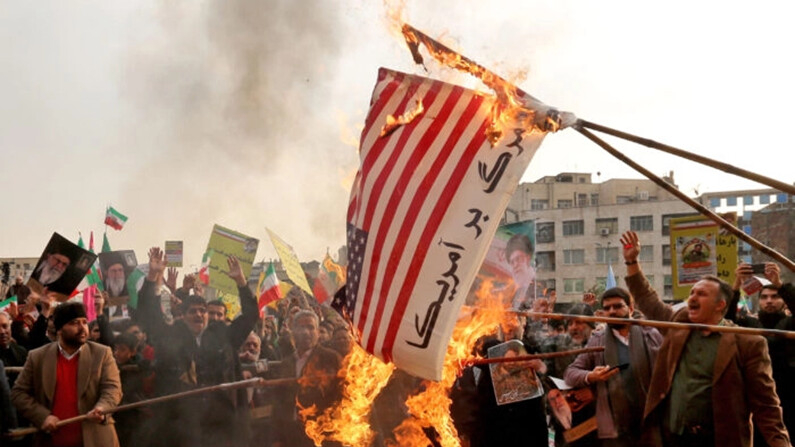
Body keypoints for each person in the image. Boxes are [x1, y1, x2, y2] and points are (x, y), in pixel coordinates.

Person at [620, 230, 790, 447]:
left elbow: (766, 404)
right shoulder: (676, 324)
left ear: (720, 305)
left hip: (719, 440)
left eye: (701, 294)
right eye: (692, 292)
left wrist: (781, 443)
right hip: (671, 436)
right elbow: (646, 297)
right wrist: (632, 260)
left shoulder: (748, 342)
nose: (692, 297)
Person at [134, 247, 258, 447]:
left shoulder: (222, 335)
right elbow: (148, 316)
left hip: (220, 426)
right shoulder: (170, 336)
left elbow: (251, 316)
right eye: (192, 311)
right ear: (183, 315)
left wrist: (241, 282)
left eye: (203, 311)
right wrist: (153, 276)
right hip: (180, 427)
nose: (198, 315)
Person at [11, 302, 122, 447]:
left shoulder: (102, 354)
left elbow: (113, 389)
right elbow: (18, 393)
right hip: (51, 440)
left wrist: (102, 408)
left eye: (84, 322)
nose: (82, 328)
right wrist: (42, 417)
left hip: (96, 440)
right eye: (74, 323)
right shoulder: (37, 357)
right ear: (59, 329)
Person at [565, 288, 662, 446]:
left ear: (630, 309)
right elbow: (571, 373)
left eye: (617, 306)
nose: (612, 311)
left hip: (651, 421)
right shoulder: (598, 340)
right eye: (607, 308)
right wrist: (590, 376)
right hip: (615, 428)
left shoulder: (650, 334)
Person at [727, 262, 795, 442]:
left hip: (787, 394)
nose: (769, 301)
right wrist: (736, 285)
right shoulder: (749, 324)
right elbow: (725, 319)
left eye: (775, 296)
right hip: (755, 398)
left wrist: (780, 284)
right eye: (764, 297)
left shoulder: (790, 324)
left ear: (783, 300)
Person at [272, 309, 342, 447]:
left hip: (322, 434)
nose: (305, 332)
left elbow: (342, 395)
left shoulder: (330, 358)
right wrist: (277, 438)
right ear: (293, 332)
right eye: (301, 327)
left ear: (317, 331)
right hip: (291, 435)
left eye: (310, 327)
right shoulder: (286, 363)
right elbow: (278, 402)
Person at [505, 233, 536, 309]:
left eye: (518, 259)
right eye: (512, 262)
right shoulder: (512, 294)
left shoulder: (539, 287)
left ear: (528, 258)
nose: (515, 265)